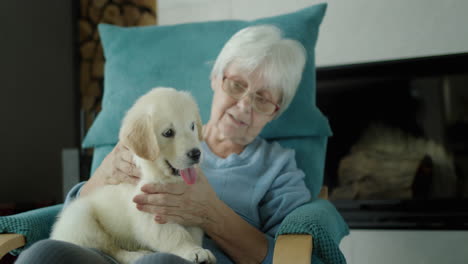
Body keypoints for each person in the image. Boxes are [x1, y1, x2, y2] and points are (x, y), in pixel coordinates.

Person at [16, 25, 311, 264]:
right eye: (236, 85)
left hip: (186, 259)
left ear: (276, 111)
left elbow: (288, 256)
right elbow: (77, 216)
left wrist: (211, 214)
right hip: (109, 250)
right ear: (215, 79)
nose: (244, 105)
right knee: (43, 255)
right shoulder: (156, 132)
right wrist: (101, 179)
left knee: (158, 263)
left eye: (262, 99)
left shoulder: (279, 168)